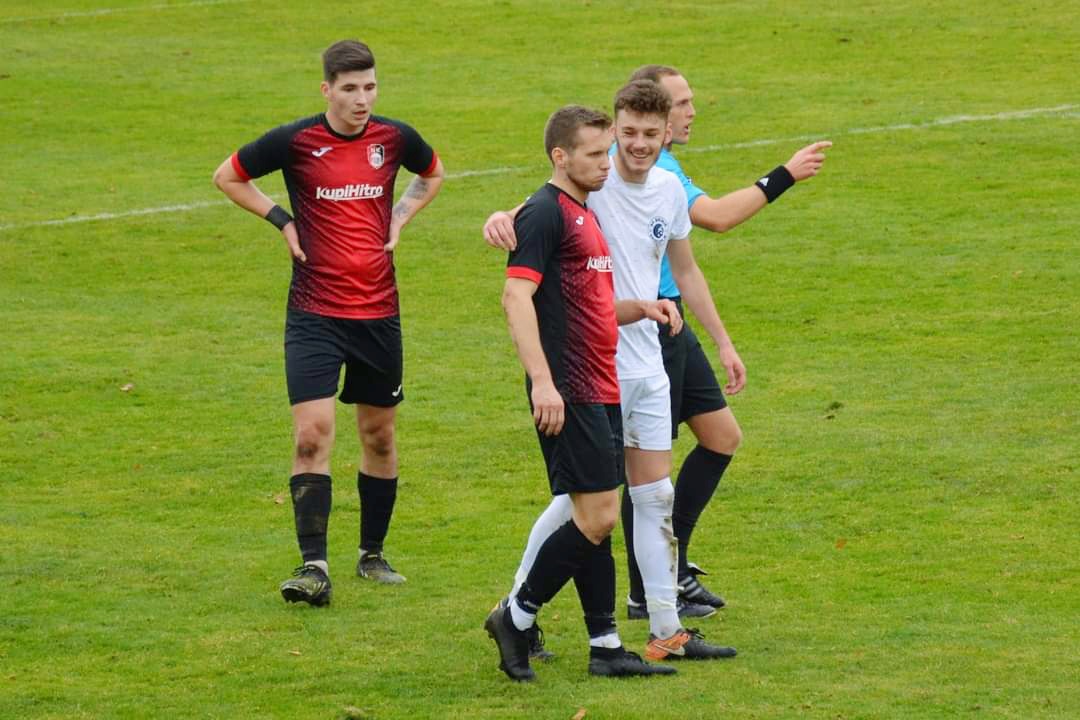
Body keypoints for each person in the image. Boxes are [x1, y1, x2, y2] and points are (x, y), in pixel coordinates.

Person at [484, 80, 738, 663]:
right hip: (592, 367)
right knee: (583, 505)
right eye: (627, 135)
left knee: (654, 497)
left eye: (649, 134)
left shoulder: (668, 189)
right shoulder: (592, 184)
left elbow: (683, 266)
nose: (636, 146)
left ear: (666, 134)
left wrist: (714, 336)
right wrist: (500, 217)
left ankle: (665, 630)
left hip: (647, 359)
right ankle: (518, 610)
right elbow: (535, 212)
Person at [212, 39, 444, 606]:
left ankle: (372, 554)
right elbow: (228, 176)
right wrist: (282, 220)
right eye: (350, 89)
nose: (362, 99)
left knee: (379, 436)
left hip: (378, 314)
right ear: (327, 90)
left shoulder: (394, 138)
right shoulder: (296, 142)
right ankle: (313, 565)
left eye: (370, 87)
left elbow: (432, 173)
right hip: (314, 313)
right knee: (312, 434)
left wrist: (401, 215)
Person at [616, 65, 831, 612]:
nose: (692, 112)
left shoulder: (665, 173)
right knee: (647, 473)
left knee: (721, 437)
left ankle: (673, 563)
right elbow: (716, 217)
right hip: (642, 330)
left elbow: (686, 267)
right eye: (682, 103)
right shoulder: (644, 166)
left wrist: (724, 342)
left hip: (674, 322)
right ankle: (646, 589)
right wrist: (783, 175)